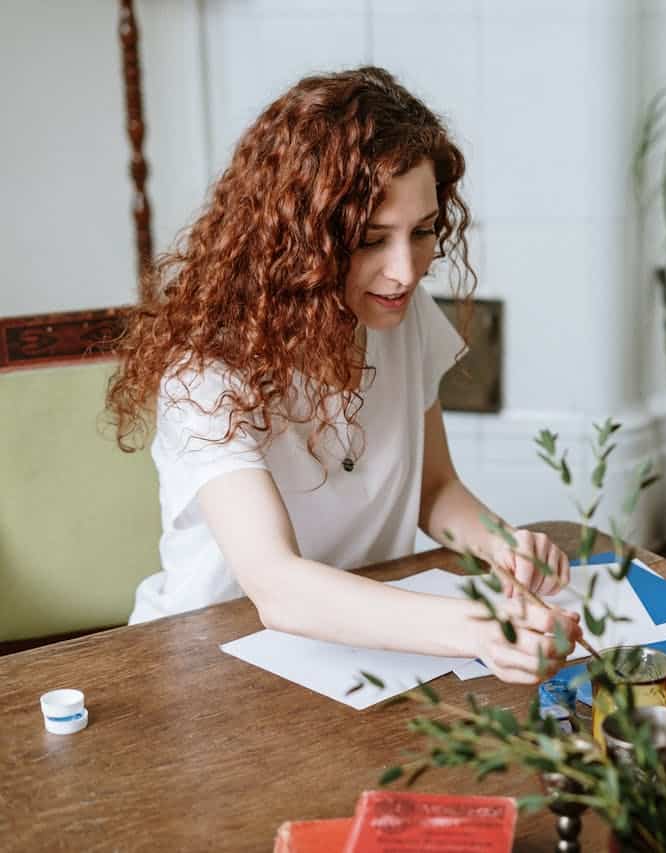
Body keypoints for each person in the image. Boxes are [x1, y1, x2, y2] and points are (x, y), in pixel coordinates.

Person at [106, 67, 579, 684]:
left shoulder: (397, 315)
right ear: (300, 238)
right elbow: (276, 586)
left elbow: (434, 487)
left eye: (424, 232)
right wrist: (479, 630)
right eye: (370, 240)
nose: (405, 271)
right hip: (214, 658)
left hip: (368, 647)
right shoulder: (207, 369)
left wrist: (500, 543)